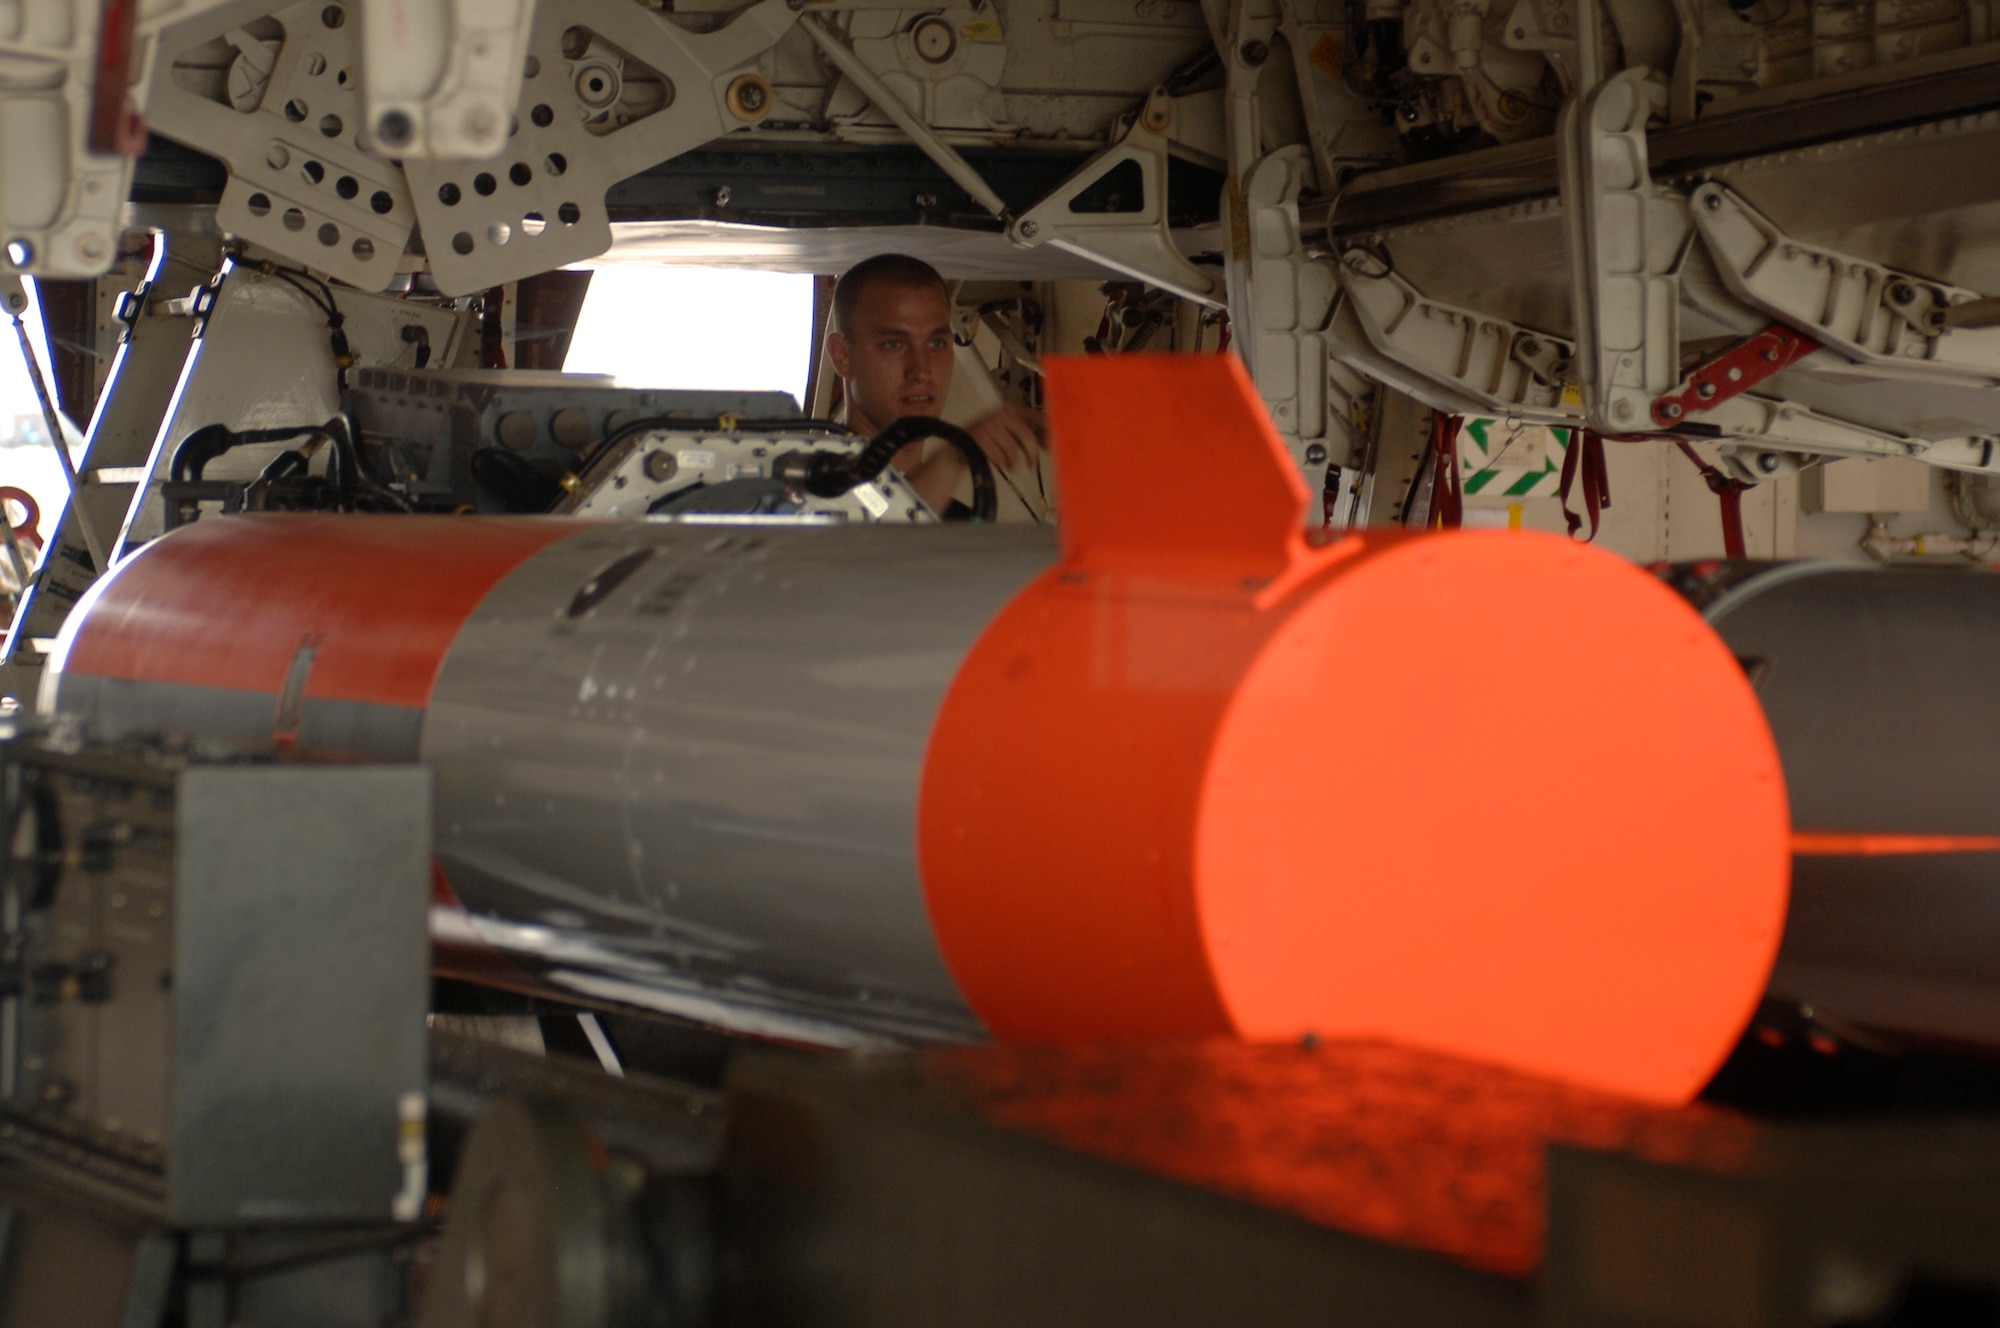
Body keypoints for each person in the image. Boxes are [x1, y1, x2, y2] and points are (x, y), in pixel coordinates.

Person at [825, 254, 1045, 518]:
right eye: (894, 345)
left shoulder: (957, 522)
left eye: (936, 344)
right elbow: (864, 548)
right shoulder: (797, 493)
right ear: (842, 357)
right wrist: (954, 456)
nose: (921, 371)